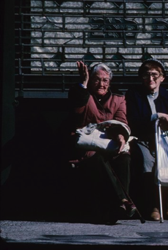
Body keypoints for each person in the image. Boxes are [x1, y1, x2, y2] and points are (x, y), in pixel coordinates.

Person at [66, 61, 136, 224]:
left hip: (108, 143)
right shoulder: (82, 95)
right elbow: (76, 113)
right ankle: (123, 201)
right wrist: (83, 84)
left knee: (124, 158)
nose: (101, 84)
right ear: (90, 80)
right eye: (97, 79)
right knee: (95, 158)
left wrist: (120, 133)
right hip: (86, 144)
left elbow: (121, 120)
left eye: (105, 80)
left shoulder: (118, 99)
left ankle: (119, 205)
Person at [126, 58, 168, 221]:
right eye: (146, 75)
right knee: (147, 164)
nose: (150, 79)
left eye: (154, 75)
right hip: (143, 139)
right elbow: (133, 121)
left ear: (162, 78)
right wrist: (157, 116)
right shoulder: (134, 95)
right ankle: (154, 204)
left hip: (164, 139)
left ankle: (167, 200)